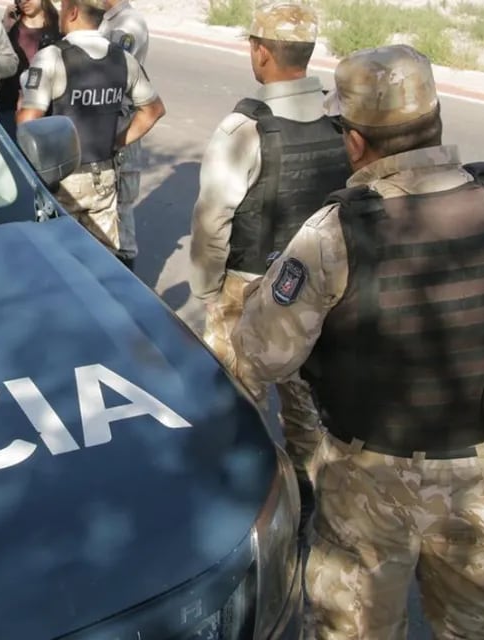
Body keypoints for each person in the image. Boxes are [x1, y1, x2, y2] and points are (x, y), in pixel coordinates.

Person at [233, 43, 484, 639]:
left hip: (369, 486)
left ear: (354, 142)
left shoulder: (336, 233)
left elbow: (263, 353)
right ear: (437, 121)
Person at [189, 1, 351, 529]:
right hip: (318, 290)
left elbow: (213, 219)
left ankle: (245, 519)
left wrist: (208, 291)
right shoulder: (339, 126)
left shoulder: (246, 129)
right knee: (307, 414)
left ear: (260, 52)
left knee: (235, 408)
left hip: (249, 288)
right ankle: (309, 506)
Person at [17, 0, 165, 269]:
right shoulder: (123, 59)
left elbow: (28, 121)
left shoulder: (53, 56)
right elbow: (153, 110)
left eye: (63, 8)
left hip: (63, 180)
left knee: (56, 262)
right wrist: (116, 143)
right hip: (103, 178)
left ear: (72, 12)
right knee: (104, 264)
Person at [99, 0, 149, 269]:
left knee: (121, 208)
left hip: (121, 125)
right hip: (104, 125)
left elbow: (110, 71)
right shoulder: (107, 19)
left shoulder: (129, 23)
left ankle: (128, 276)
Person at [0, 0, 62, 140]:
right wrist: (5, 29)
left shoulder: (58, 25)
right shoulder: (11, 26)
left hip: (46, 109)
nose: (24, 2)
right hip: (10, 105)